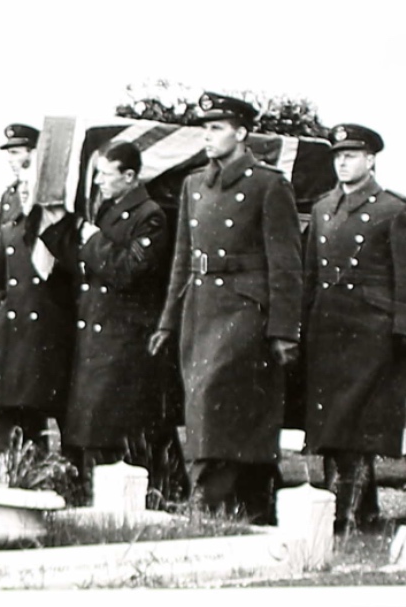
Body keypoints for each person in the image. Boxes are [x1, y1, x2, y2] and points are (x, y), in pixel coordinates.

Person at [149, 91, 303, 525]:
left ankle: (208, 494)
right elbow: (183, 258)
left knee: (216, 395)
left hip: (245, 307)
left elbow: (286, 264)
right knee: (210, 400)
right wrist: (167, 321)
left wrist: (284, 329)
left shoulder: (268, 184)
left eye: (216, 128)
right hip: (201, 307)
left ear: (241, 132)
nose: (208, 136)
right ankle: (249, 501)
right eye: (205, 128)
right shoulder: (194, 184)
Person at [40, 140, 186, 504]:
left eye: (106, 175)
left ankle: (149, 494)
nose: (100, 182)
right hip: (96, 330)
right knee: (92, 425)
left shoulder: (150, 215)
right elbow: (85, 266)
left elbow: (126, 270)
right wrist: (59, 228)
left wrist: (91, 238)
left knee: (116, 427)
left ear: (129, 176)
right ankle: (95, 492)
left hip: (122, 338)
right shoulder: (109, 209)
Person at [303, 124, 406, 535]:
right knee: (331, 425)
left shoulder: (394, 210)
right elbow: (309, 273)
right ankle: (358, 510)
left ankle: (347, 514)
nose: (342, 161)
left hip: (371, 332)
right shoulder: (323, 209)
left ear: (371, 160)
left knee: (357, 425)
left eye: (351, 155)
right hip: (327, 330)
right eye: (337, 155)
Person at [0, 156, 75, 454]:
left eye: (32, 185)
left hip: (47, 335)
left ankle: (51, 473)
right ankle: (9, 472)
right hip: (11, 333)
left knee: (39, 409)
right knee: (7, 411)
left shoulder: (61, 230)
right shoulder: (10, 230)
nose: (24, 192)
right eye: (22, 185)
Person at [0, 123, 40, 265]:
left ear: (33, 155)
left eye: (15, 153)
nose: (10, 160)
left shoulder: (44, 194)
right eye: (9, 153)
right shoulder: (10, 195)